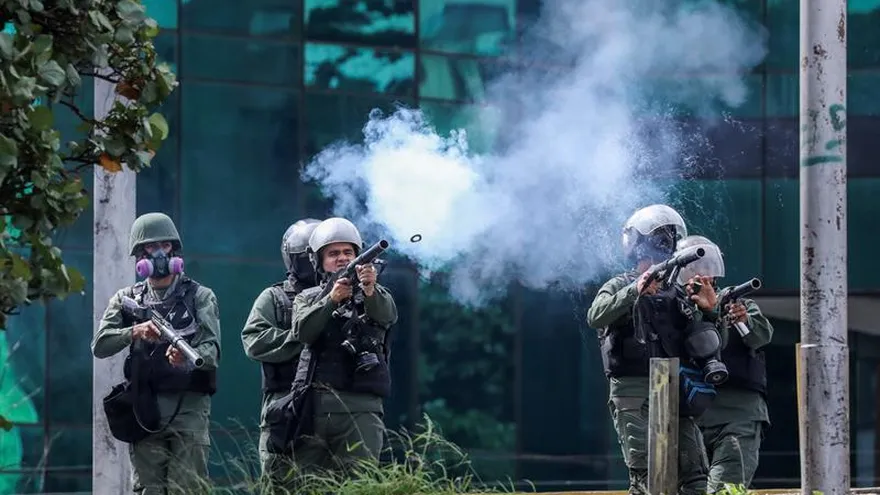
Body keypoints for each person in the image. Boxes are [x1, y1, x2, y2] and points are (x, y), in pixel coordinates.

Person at [92, 212, 221, 494]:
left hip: (189, 410)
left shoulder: (200, 296)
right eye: (151, 247)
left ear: (175, 249)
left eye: (165, 245)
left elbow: (211, 350)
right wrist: (135, 332)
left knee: (188, 488)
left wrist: (186, 359)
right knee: (148, 489)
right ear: (140, 254)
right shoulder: (128, 298)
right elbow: (100, 345)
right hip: (145, 409)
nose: (160, 253)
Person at [586, 204, 709, 495]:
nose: (664, 245)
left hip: (674, 387)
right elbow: (596, 316)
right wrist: (634, 291)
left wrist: (710, 312)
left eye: (668, 238)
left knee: (696, 478)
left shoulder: (678, 291)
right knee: (645, 478)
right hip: (634, 389)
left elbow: (707, 344)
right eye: (659, 238)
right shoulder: (619, 284)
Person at [289, 217, 398, 473]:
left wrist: (370, 289)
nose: (341, 258)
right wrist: (330, 301)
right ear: (319, 261)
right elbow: (303, 332)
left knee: (360, 481)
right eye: (333, 253)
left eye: (348, 252)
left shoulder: (377, 295)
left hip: (362, 407)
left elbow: (387, 317)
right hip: (315, 406)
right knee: (307, 485)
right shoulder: (307, 297)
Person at [675, 235, 773, 492]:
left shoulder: (738, 305)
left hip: (736, 417)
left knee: (726, 489)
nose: (701, 277)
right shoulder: (676, 310)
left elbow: (761, 336)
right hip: (692, 421)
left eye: (706, 272)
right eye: (694, 272)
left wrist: (733, 316)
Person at [241, 218, 321, 481]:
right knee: (280, 480)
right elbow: (254, 340)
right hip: (284, 406)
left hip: (331, 408)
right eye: (304, 258)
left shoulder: (344, 295)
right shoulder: (275, 298)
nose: (311, 265)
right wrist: (304, 335)